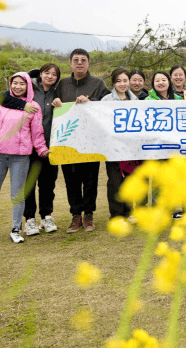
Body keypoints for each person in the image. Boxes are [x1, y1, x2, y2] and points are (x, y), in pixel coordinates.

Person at [0, 73, 50, 244]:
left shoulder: (33, 107)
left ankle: (16, 229)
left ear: (28, 86)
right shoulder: (0, 103)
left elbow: (37, 132)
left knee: (17, 196)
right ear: (10, 84)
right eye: (15, 83)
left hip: (20, 158)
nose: (18, 87)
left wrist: (42, 149)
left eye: (22, 84)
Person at [52, 49, 110, 233]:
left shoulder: (98, 83)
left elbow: (108, 105)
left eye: (83, 60)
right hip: (67, 141)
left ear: (88, 64)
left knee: (90, 180)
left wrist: (91, 100)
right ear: (70, 63)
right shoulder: (62, 84)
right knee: (71, 180)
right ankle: (76, 215)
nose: (79, 63)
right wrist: (55, 102)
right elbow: (52, 103)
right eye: (75, 60)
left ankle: (89, 215)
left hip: (90, 141)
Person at [101, 67, 139, 220]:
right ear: (113, 83)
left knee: (129, 180)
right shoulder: (106, 100)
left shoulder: (135, 100)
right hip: (113, 148)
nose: (122, 84)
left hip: (130, 148)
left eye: (125, 80)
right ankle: (116, 214)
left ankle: (129, 211)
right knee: (115, 181)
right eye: (118, 81)